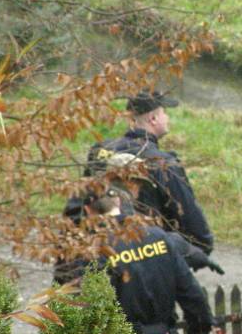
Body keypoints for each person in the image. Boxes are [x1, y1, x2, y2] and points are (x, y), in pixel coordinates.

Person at [55, 186, 216, 334]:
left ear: (88, 210)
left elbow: (76, 311)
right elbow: (196, 303)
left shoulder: (91, 251)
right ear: (119, 203)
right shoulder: (158, 238)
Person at [86, 89, 214, 254]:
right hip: (144, 249)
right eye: (164, 113)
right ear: (153, 119)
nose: (167, 118)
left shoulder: (99, 150)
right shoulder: (163, 163)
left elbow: (84, 200)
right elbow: (191, 222)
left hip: (99, 245)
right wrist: (201, 247)